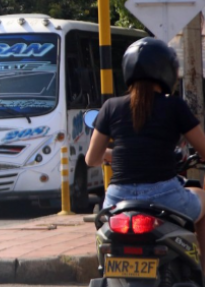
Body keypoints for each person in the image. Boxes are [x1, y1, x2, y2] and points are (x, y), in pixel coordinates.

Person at [86, 37, 205, 268]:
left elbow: (92, 159)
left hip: (117, 198)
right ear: (167, 71)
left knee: (105, 232)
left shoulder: (111, 106)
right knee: (203, 199)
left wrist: (114, 155)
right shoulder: (175, 106)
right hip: (165, 196)